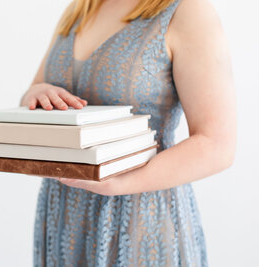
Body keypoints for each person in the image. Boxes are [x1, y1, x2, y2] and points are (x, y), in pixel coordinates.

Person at [19, 0, 236, 265]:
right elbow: (35, 96)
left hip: (141, 221)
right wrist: (33, 95)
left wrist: (121, 184)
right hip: (63, 217)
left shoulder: (188, 10)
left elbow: (217, 145)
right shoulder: (80, 9)